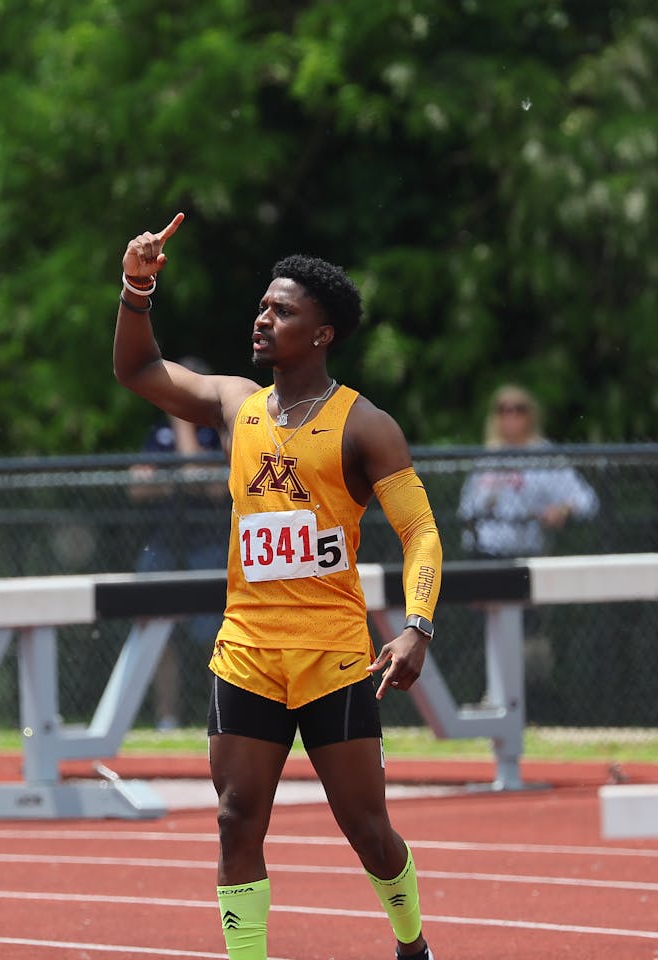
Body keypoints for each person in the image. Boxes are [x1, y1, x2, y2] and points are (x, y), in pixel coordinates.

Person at [113, 212, 443, 960]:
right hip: (250, 654)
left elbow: (421, 532)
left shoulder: (366, 426)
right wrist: (137, 287)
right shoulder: (236, 405)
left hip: (332, 657)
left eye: (282, 310)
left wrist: (416, 624)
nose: (263, 318)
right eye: (262, 306)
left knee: (367, 830)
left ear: (322, 332)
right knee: (236, 818)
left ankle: (411, 941)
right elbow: (137, 371)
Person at [128, 355, 228, 730]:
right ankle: (166, 718)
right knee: (155, 633)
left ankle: (221, 716)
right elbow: (139, 488)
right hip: (164, 547)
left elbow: (214, 486)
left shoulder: (218, 432)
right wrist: (183, 477)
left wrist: (184, 427)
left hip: (209, 546)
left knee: (216, 638)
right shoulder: (159, 436)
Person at [457, 383, 598, 558]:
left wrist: (561, 510)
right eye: (503, 410)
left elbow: (586, 500)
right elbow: (466, 507)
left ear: (530, 415)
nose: (511, 416)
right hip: (484, 551)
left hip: (526, 552)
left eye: (519, 410)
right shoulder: (488, 457)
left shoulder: (545, 456)